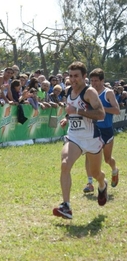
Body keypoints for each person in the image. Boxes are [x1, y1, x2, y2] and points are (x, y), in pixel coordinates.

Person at [53, 61, 107, 220]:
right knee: (65, 164)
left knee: (96, 173)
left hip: (91, 138)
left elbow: (100, 114)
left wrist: (76, 111)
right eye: (70, 76)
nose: (73, 79)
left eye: (76, 76)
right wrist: (67, 117)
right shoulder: (68, 91)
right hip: (74, 137)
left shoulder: (89, 92)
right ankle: (66, 206)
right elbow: (72, 110)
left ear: (84, 76)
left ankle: (102, 185)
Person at [83, 68, 120, 193]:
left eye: (96, 81)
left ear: (102, 80)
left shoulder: (108, 93)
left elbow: (117, 110)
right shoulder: (88, 93)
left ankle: (114, 169)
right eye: (92, 80)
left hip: (106, 129)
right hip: (92, 129)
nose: (94, 83)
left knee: (107, 159)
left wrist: (101, 109)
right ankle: (90, 183)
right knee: (89, 156)